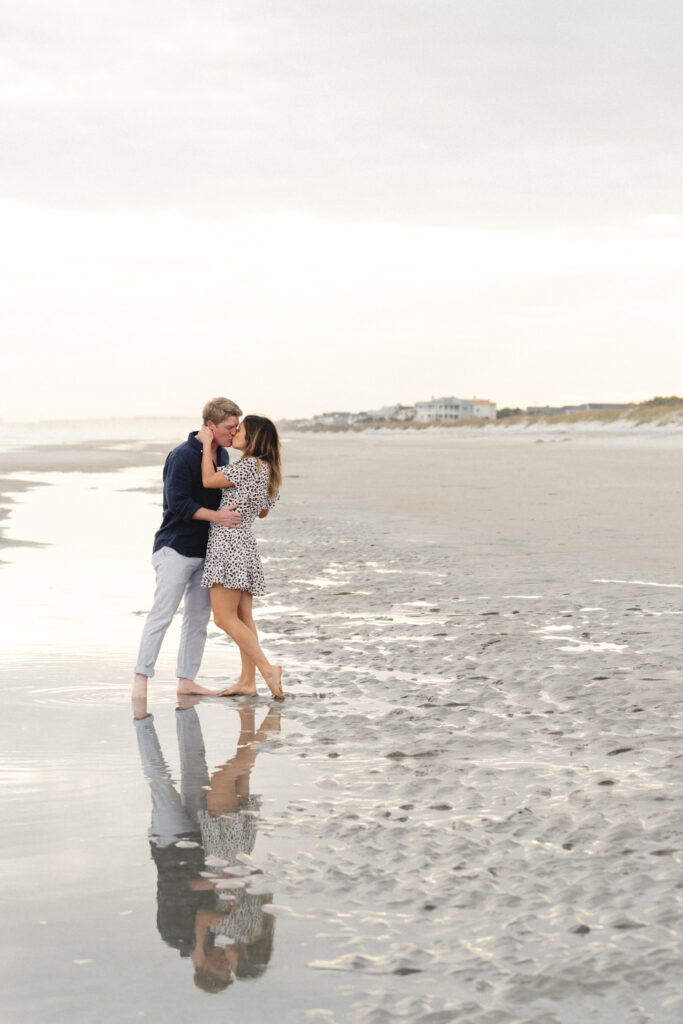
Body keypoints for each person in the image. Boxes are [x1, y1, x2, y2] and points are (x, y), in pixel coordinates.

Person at [132, 398, 243, 701]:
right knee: (162, 614)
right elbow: (178, 505)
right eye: (228, 428)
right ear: (210, 426)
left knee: (198, 619)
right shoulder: (181, 457)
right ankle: (140, 680)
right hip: (175, 549)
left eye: (236, 428)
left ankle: (187, 681)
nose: (234, 433)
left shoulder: (222, 455)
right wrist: (219, 516)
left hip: (207, 552)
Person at [197, 415, 284, 699]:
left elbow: (209, 480)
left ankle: (267, 669)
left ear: (254, 438)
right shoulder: (270, 470)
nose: (235, 434)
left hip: (228, 542)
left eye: (241, 430)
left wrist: (208, 443)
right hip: (245, 541)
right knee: (244, 617)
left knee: (224, 619)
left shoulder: (248, 465)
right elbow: (262, 511)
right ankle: (248, 681)